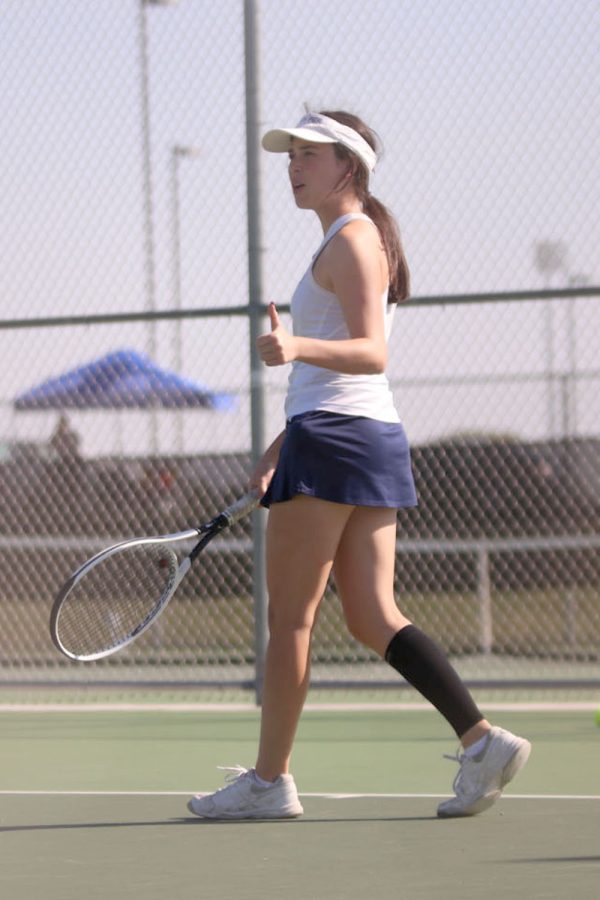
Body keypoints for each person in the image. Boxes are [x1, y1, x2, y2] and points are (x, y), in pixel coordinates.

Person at [188, 110, 531, 820]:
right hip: (361, 435)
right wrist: (283, 446)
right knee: (373, 616)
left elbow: (371, 352)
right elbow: (350, 378)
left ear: (349, 166)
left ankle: (267, 782)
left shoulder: (352, 242)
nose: (294, 165)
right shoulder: (361, 240)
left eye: (309, 154)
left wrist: (296, 352)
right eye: (291, 154)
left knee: (291, 621)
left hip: (338, 438)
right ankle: (481, 742)